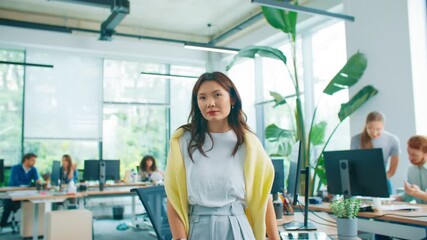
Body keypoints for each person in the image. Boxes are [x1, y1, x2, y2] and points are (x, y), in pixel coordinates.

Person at [164, 72, 279, 240]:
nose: (210, 103)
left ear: (232, 99)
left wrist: (275, 238)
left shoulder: (249, 143)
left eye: (217, 95)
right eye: (202, 98)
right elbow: (173, 197)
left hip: (238, 227)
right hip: (197, 228)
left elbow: (263, 196)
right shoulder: (182, 140)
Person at [351, 111, 400, 194]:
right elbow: (353, 165)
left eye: (378, 129)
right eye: (370, 129)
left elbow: (392, 170)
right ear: (366, 126)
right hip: (361, 183)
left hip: (383, 181)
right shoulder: (355, 139)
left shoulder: (393, 140)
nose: (374, 133)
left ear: (383, 126)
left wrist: (378, 181)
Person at [1, 153, 41, 228]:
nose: (34, 162)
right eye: (32, 160)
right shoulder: (15, 168)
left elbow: (37, 179)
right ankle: (3, 224)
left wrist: (38, 182)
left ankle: (27, 226)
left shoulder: (33, 169)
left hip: (26, 194)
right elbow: (15, 182)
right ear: (26, 159)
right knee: (8, 204)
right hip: (14, 193)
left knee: (34, 203)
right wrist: (28, 185)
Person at [395, 135, 427, 203]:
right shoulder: (411, 170)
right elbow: (409, 195)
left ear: (425, 153)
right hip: (421, 212)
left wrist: (417, 193)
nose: (410, 158)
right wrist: (395, 198)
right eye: (409, 154)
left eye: (414, 155)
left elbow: (415, 193)